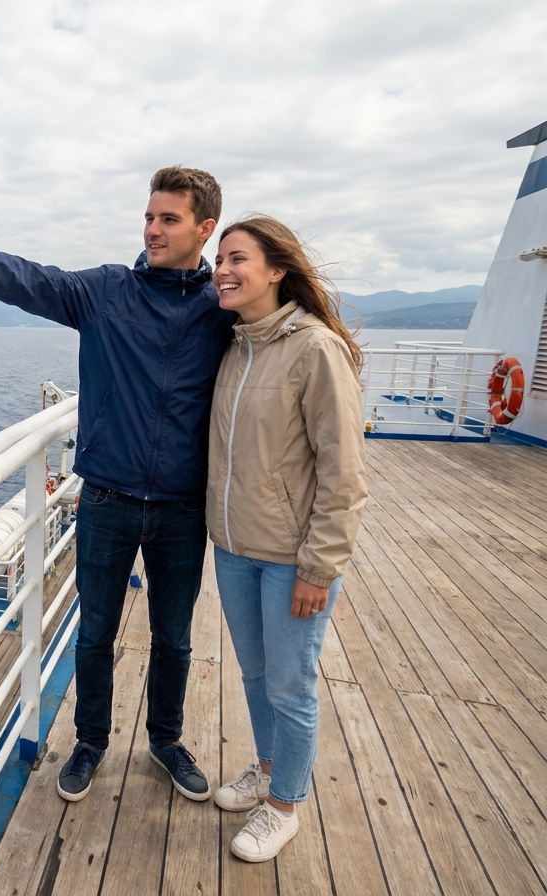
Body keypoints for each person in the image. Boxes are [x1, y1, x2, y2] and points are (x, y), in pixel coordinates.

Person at [0, 166, 237, 803]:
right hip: (107, 497)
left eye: (168, 219)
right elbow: (23, 279)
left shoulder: (221, 311)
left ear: (204, 229)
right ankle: (90, 741)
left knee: (173, 638)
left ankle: (166, 740)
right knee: (94, 634)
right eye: (149, 215)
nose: (151, 228)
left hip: (182, 507)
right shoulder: (106, 293)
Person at [205, 215, 367, 861]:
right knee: (255, 674)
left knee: (290, 685)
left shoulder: (314, 348)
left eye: (238, 258)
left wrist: (319, 568)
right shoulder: (234, 343)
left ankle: (285, 806)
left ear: (276, 271)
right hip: (234, 545)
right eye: (221, 258)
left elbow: (345, 471)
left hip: (292, 556)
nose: (223, 269)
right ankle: (268, 770)